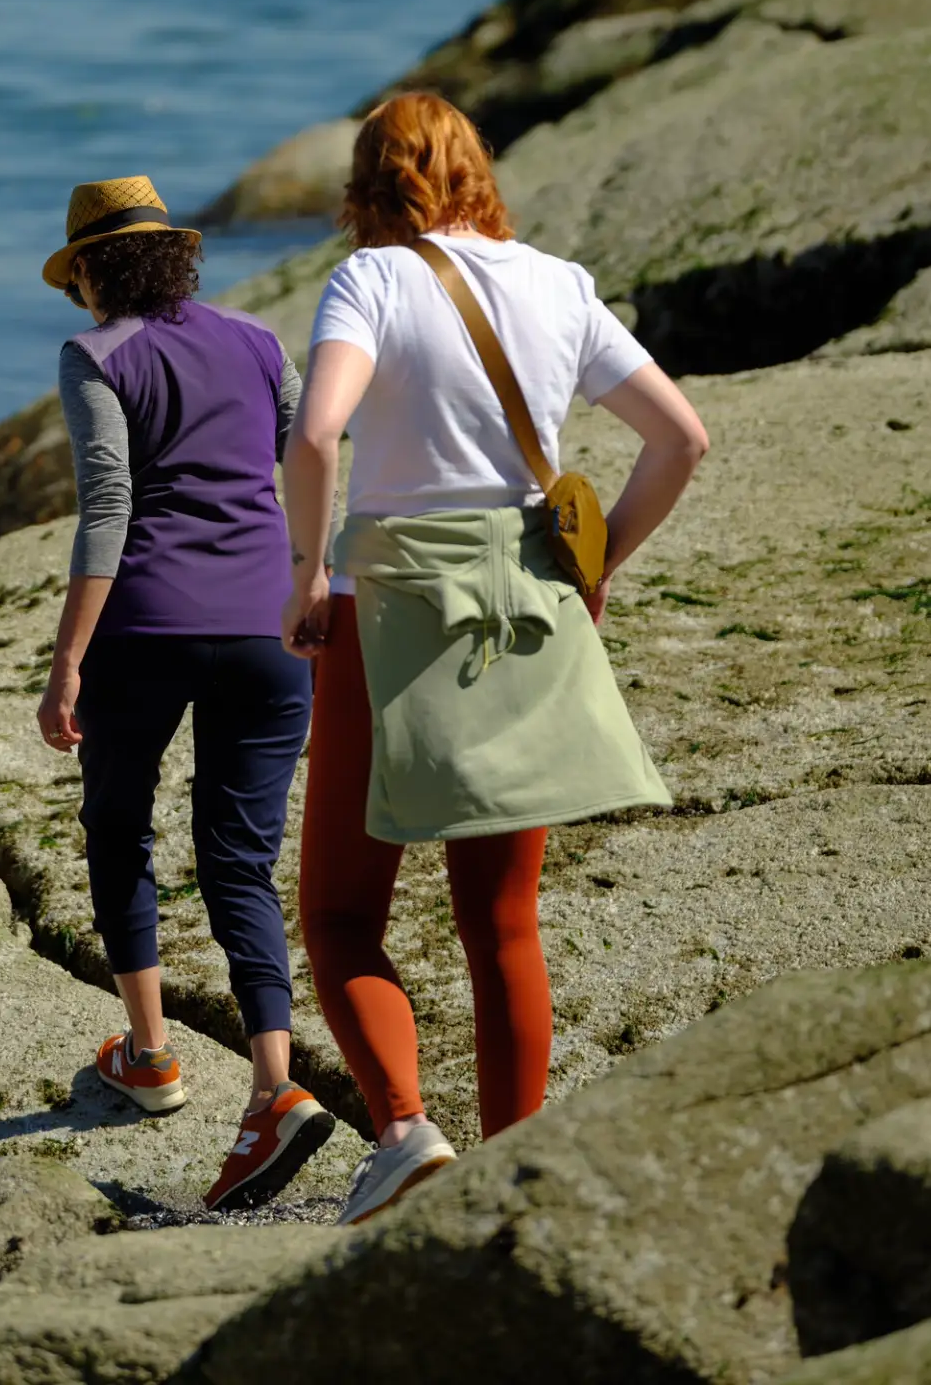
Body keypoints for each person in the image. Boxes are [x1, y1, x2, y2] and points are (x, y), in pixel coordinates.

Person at [288, 93, 708, 1223]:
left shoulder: (372, 279)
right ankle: (513, 1175)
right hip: (529, 599)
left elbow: (318, 432)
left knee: (338, 915)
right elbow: (681, 438)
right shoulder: (560, 283)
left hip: (392, 611)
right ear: (477, 169)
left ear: (369, 184)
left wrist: (303, 573)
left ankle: (407, 1132)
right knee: (502, 921)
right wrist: (599, 557)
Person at [32, 175, 343, 1213]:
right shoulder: (257, 340)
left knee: (120, 830)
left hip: (148, 627)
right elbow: (307, 454)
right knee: (240, 860)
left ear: (89, 275)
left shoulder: (96, 355)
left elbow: (110, 501)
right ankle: (272, 1088)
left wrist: (68, 656)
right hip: (268, 631)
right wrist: (316, 580)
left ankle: (153, 1057)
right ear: (178, 260)